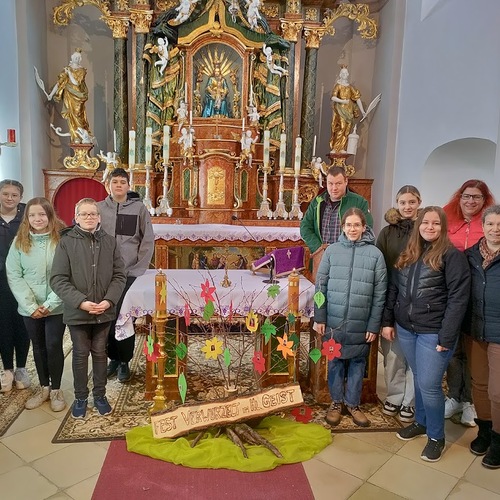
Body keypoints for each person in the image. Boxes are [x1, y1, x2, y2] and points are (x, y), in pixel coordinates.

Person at [382, 206, 471, 462]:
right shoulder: (409, 252)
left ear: (442, 227)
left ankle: (436, 437)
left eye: (435, 224)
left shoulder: (452, 256)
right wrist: (388, 320)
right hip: (407, 328)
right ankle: (420, 422)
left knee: (430, 385)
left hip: (434, 331)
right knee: (420, 377)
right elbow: (394, 289)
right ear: (418, 226)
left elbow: (458, 299)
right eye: (425, 223)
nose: (430, 227)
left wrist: (447, 336)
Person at [50, 198, 126, 419]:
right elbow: (58, 279)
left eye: (93, 214)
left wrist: (109, 300)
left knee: (100, 353)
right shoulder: (66, 242)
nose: (89, 217)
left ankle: (100, 395)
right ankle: (81, 397)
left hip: (104, 310)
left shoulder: (110, 242)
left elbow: (119, 275)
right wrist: (81, 301)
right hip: (78, 311)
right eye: (84, 214)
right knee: (81, 354)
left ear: (99, 217)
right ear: (76, 217)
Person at [314, 208, 387, 427]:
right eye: (348, 225)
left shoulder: (375, 255)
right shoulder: (332, 251)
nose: (352, 229)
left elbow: (380, 292)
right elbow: (320, 285)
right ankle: (336, 402)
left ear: (364, 228)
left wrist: (374, 325)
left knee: (357, 363)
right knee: (335, 361)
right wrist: (320, 317)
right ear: (342, 227)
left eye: (357, 225)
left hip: (361, 321)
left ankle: (353, 404)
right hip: (334, 320)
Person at [6, 197, 67, 411]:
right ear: (27, 218)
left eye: (41, 214)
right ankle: (44, 387)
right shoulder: (20, 240)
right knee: (39, 347)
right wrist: (31, 306)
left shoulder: (61, 238)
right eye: (32, 215)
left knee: (52, 345)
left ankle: (57, 389)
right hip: (29, 307)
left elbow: (65, 274)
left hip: (56, 305)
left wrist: (50, 303)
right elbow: (14, 274)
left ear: (49, 215)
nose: (37, 218)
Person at [443, 180, 495, 426]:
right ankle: (454, 395)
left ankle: (470, 402)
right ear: (459, 196)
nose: (470, 201)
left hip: (477, 297)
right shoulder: (447, 217)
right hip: (451, 294)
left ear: (484, 201)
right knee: (454, 351)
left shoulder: (489, 225)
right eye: (466, 196)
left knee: (474, 354)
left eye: (476, 197)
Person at [97, 169, 154, 383]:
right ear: (108, 185)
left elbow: (147, 240)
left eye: (123, 182)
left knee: (125, 317)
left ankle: (124, 361)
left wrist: (138, 269)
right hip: (103, 273)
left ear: (129, 186)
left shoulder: (139, 209)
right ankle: (112, 358)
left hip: (129, 273)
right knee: (107, 317)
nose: (119, 185)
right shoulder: (99, 208)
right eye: (115, 182)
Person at [377, 185, 422, 423]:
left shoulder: (424, 228)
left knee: (413, 354)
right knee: (393, 353)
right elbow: (380, 263)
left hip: (417, 298)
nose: (407, 207)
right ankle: (394, 395)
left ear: (419, 203)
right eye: (402, 202)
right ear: (397, 204)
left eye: (411, 202)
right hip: (392, 297)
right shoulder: (387, 232)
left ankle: (410, 401)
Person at [464, 205, 500, 469]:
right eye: (491, 225)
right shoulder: (469, 256)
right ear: (483, 226)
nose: (495, 230)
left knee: (498, 392)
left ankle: (498, 440)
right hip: (475, 329)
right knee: (480, 384)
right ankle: (484, 430)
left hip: (499, 333)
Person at [300, 166, 373, 282]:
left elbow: (367, 230)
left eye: (338, 183)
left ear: (346, 181)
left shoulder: (359, 202)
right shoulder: (318, 201)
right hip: (322, 257)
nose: (334, 188)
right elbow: (305, 227)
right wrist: (317, 247)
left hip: (347, 258)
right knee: (320, 294)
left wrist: (347, 250)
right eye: (330, 183)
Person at [0, 179, 31, 393]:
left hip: (23, 279)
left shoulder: (27, 217)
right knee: (3, 324)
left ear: (20, 197)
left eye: (14, 195)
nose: (10, 198)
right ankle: (7, 369)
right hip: (0, 279)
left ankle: (21, 367)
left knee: (22, 323)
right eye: (5, 194)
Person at [52, 49, 91, 143]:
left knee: (78, 114)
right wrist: (50, 95)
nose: (77, 59)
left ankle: (82, 136)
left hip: (78, 96)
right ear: (72, 58)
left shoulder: (81, 70)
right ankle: (75, 137)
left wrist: (69, 73)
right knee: (71, 115)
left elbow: (76, 83)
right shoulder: (66, 69)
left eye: (78, 58)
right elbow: (59, 83)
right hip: (69, 95)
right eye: (75, 57)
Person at [330, 67, 366, 153]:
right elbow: (333, 97)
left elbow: (357, 98)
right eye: (343, 73)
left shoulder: (350, 87)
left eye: (346, 73)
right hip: (340, 110)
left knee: (347, 130)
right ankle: (335, 148)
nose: (345, 75)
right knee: (341, 127)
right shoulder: (338, 86)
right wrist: (342, 101)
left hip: (349, 111)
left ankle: (342, 147)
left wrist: (363, 111)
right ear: (340, 75)